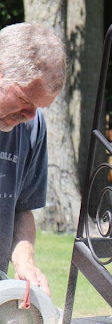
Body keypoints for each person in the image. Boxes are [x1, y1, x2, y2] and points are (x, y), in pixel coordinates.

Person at [0, 22, 67, 296]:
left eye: (38, 107)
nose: (29, 115)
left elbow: (21, 208)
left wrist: (24, 260)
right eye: (25, 100)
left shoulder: (31, 126)